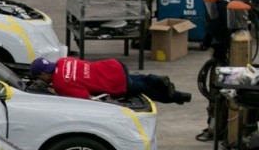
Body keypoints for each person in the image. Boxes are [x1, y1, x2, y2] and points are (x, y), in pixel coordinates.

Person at [29, 56, 192, 104]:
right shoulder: (63, 61)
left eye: (39, 77)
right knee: (140, 79)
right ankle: (156, 79)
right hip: (114, 66)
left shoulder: (59, 84)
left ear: (43, 74)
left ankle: (177, 97)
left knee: (146, 91)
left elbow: (84, 97)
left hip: (115, 83)